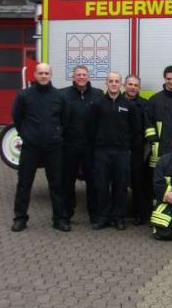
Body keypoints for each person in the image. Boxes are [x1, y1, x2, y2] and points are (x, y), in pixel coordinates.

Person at [11, 63, 70, 232]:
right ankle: (20, 218)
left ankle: (59, 219)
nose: (43, 76)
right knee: (24, 183)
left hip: (53, 147)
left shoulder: (59, 96)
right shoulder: (24, 96)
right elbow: (17, 117)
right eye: (40, 73)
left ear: (51, 75)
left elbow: (64, 120)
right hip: (31, 146)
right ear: (35, 75)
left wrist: (56, 134)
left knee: (57, 183)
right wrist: (26, 135)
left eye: (46, 73)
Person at [88, 72, 141, 231]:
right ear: (106, 83)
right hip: (102, 152)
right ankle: (103, 217)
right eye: (110, 81)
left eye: (116, 81)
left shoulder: (129, 106)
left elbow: (135, 130)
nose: (113, 84)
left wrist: (129, 149)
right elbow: (90, 129)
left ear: (121, 85)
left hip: (122, 152)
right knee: (102, 186)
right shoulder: (97, 104)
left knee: (121, 186)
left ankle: (119, 217)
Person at [61, 64, 103, 222]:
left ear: (88, 77)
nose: (81, 77)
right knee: (67, 182)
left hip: (90, 147)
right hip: (70, 146)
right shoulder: (64, 96)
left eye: (84, 74)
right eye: (78, 74)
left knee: (93, 182)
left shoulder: (98, 95)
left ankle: (94, 214)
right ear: (73, 77)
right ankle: (66, 215)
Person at [123, 74, 150, 225]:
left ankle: (141, 214)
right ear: (124, 85)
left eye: (135, 85)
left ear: (139, 88)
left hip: (138, 149)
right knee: (119, 182)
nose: (133, 87)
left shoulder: (144, 104)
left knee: (139, 182)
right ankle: (118, 214)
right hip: (120, 148)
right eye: (130, 84)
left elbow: (147, 126)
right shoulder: (117, 102)